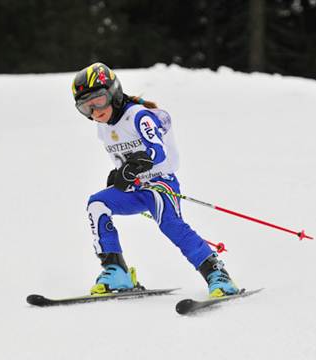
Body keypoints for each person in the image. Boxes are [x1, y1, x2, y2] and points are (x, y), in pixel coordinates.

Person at [72, 62, 239, 298]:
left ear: (113, 92)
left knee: (169, 224)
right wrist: (119, 174)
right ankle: (116, 269)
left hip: (161, 183)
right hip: (137, 189)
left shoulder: (138, 116)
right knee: (97, 204)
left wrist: (135, 166)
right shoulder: (103, 127)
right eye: (85, 108)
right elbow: (122, 158)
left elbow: (157, 152)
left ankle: (216, 273)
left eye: (98, 100)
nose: (95, 111)